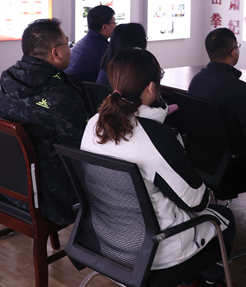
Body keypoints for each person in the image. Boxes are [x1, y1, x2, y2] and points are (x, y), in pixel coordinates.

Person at [81, 48, 235, 287]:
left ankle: (192, 277)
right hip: (155, 252)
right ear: (152, 87)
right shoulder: (156, 137)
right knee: (224, 218)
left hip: (107, 240)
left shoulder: (94, 124)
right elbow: (197, 202)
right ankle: (206, 281)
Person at [0, 18, 89, 227]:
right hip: (51, 198)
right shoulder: (59, 93)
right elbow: (84, 146)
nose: (70, 48)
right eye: (68, 43)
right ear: (56, 52)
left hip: (9, 185)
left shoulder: (10, 78)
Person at [188, 28, 246, 151]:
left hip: (202, 153)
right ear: (233, 52)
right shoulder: (240, 89)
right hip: (238, 157)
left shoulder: (196, 80)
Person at [65, 5, 116, 84]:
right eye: (114, 22)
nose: (116, 25)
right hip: (87, 90)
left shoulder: (81, 43)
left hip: (74, 88)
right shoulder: (103, 50)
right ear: (105, 27)